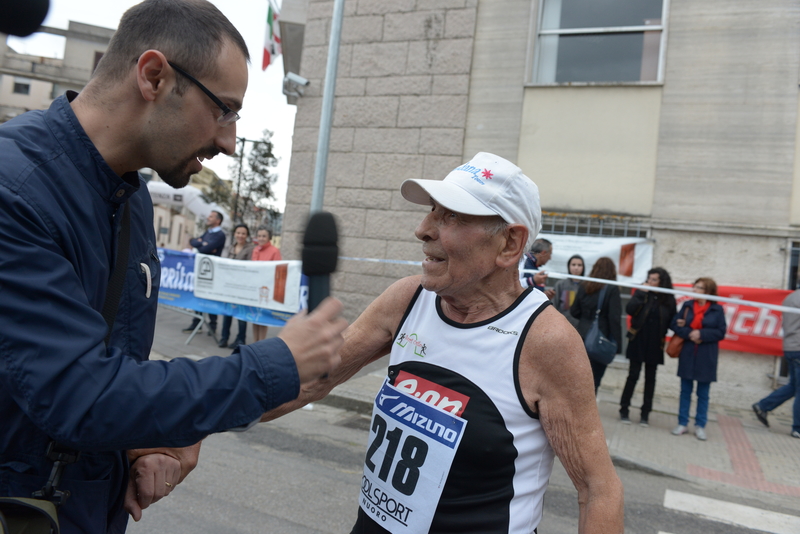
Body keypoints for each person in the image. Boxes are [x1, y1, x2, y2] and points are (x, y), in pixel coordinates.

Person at [0, 1, 346, 532]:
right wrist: (275, 365)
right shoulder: (14, 190)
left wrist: (143, 445)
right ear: (154, 76)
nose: (230, 141)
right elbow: (78, 395)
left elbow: (119, 376)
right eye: (223, 109)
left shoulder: (132, 196)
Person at [263, 153, 624, 533]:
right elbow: (312, 381)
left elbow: (598, 489)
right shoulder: (408, 298)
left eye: (451, 216)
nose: (422, 229)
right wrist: (201, 413)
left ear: (509, 244)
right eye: (432, 211)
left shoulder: (545, 340)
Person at [670, 277, 727, 441]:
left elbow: (721, 332)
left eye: (699, 288)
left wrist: (702, 334)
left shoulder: (717, 309)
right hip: (688, 352)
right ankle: (682, 423)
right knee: (685, 391)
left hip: (706, 355)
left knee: (703, 393)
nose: (695, 290)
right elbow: (674, 324)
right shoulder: (687, 306)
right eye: (694, 287)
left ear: (708, 291)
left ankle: (700, 425)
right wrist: (689, 333)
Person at [619, 267, 676, 426]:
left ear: (662, 281)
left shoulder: (668, 298)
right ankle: (624, 409)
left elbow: (671, 320)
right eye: (649, 279)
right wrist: (640, 292)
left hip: (655, 344)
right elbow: (630, 309)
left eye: (654, 280)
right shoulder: (643, 293)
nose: (650, 282)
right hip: (638, 339)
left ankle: (645, 413)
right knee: (633, 376)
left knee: (650, 379)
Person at [752, 289, 800, 439]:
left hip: (790, 346)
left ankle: (764, 406)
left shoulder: (791, 297)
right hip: (798, 347)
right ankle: (797, 427)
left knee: (793, 386)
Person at [570, 257, 623, 394]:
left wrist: (586, 319)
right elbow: (614, 318)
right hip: (600, 338)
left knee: (577, 378)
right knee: (594, 381)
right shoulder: (612, 289)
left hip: (581, 336)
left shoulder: (584, 285)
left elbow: (574, 311)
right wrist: (618, 343)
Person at [182, 209, 226, 335]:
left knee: (211, 298)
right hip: (201, 269)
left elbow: (205, 247)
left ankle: (212, 326)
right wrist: (201, 244)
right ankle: (197, 324)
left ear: (218, 220)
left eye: (211, 216)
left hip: (212, 271)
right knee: (198, 295)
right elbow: (194, 241)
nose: (208, 218)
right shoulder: (208, 232)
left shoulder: (220, 235)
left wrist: (202, 244)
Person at [218, 223, 256, 349]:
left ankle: (240, 339)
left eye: (243, 233)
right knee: (227, 312)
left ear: (247, 235)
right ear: (235, 234)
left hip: (242, 286)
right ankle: (224, 338)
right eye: (238, 233)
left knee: (241, 313)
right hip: (229, 285)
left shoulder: (250, 249)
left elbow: (250, 267)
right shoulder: (230, 247)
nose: (240, 235)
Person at [251, 225, 282, 342]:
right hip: (255, 286)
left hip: (267, 288)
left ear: (269, 237)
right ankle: (255, 341)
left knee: (262, 317)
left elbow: (277, 270)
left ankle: (261, 342)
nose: (261, 238)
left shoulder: (275, 251)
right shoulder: (255, 249)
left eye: (264, 236)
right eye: (259, 236)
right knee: (254, 317)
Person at [551, 253, 584, 328]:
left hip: (581, 328)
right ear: (569, 266)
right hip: (562, 325)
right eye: (573, 264)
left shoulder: (587, 286)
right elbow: (554, 305)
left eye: (579, 265)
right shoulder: (560, 284)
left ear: (583, 267)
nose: (576, 268)